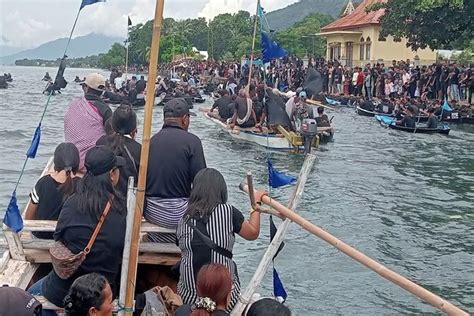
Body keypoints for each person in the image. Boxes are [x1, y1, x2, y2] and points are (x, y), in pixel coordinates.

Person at [28, 146, 127, 310]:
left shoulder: (71, 202)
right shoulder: (121, 210)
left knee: (31, 293)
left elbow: (58, 237)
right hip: (101, 293)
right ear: (111, 174)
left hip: (62, 290)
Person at [176, 168, 264, 310]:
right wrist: (256, 204)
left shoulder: (184, 219)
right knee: (232, 266)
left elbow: (180, 245)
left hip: (189, 299)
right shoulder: (228, 212)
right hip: (224, 303)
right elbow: (253, 233)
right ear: (222, 191)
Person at [145, 98, 205, 242]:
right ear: (185, 119)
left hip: (151, 211)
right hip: (179, 212)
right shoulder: (193, 142)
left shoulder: (151, 141)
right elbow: (201, 181)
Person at [25, 143, 80, 239]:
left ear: (56, 163)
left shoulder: (43, 182)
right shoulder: (82, 185)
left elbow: (28, 217)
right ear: (77, 164)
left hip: (40, 237)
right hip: (67, 239)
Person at [64, 73, 112, 171]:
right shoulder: (105, 109)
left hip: (71, 159)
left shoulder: (74, 104)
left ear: (86, 88)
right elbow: (111, 136)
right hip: (93, 162)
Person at [96, 105, 140, 196]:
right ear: (134, 129)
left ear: (112, 125)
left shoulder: (101, 142)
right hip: (128, 199)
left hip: (102, 197)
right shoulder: (139, 149)